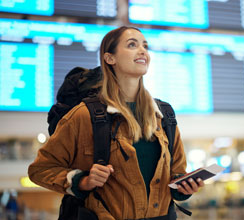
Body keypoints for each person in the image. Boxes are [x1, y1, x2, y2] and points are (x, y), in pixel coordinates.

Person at [28, 26, 204, 220]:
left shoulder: (164, 115)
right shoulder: (84, 115)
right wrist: (82, 181)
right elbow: (41, 170)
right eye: (132, 45)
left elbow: (176, 173)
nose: (142, 50)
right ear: (109, 58)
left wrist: (184, 188)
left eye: (145, 46)